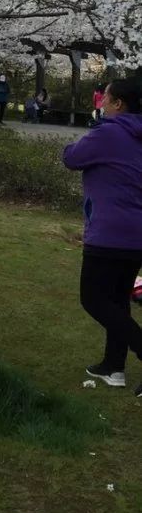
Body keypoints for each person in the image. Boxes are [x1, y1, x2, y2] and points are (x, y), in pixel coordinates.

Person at [63, 78, 142, 392]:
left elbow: (72, 158)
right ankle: (113, 367)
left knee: (93, 298)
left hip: (110, 232)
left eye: (105, 98)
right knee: (118, 299)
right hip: (136, 234)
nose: (101, 103)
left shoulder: (109, 133)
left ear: (118, 103)